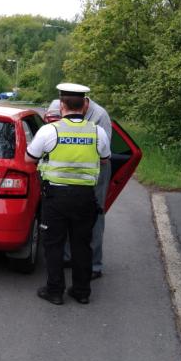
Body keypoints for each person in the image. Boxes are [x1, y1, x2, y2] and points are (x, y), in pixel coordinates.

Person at [26, 83, 110, 305]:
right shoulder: (97, 131)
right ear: (84, 106)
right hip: (85, 198)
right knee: (82, 244)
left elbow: (29, 158)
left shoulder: (49, 131)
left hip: (56, 197)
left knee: (53, 244)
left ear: (62, 105)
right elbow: (104, 159)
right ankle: (82, 292)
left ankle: (55, 291)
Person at [47, 88, 112, 280]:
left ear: (84, 103)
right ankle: (68, 258)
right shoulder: (55, 106)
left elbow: (103, 155)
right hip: (64, 173)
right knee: (65, 217)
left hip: (93, 172)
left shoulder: (100, 116)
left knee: (95, 215)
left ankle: (94, 265)